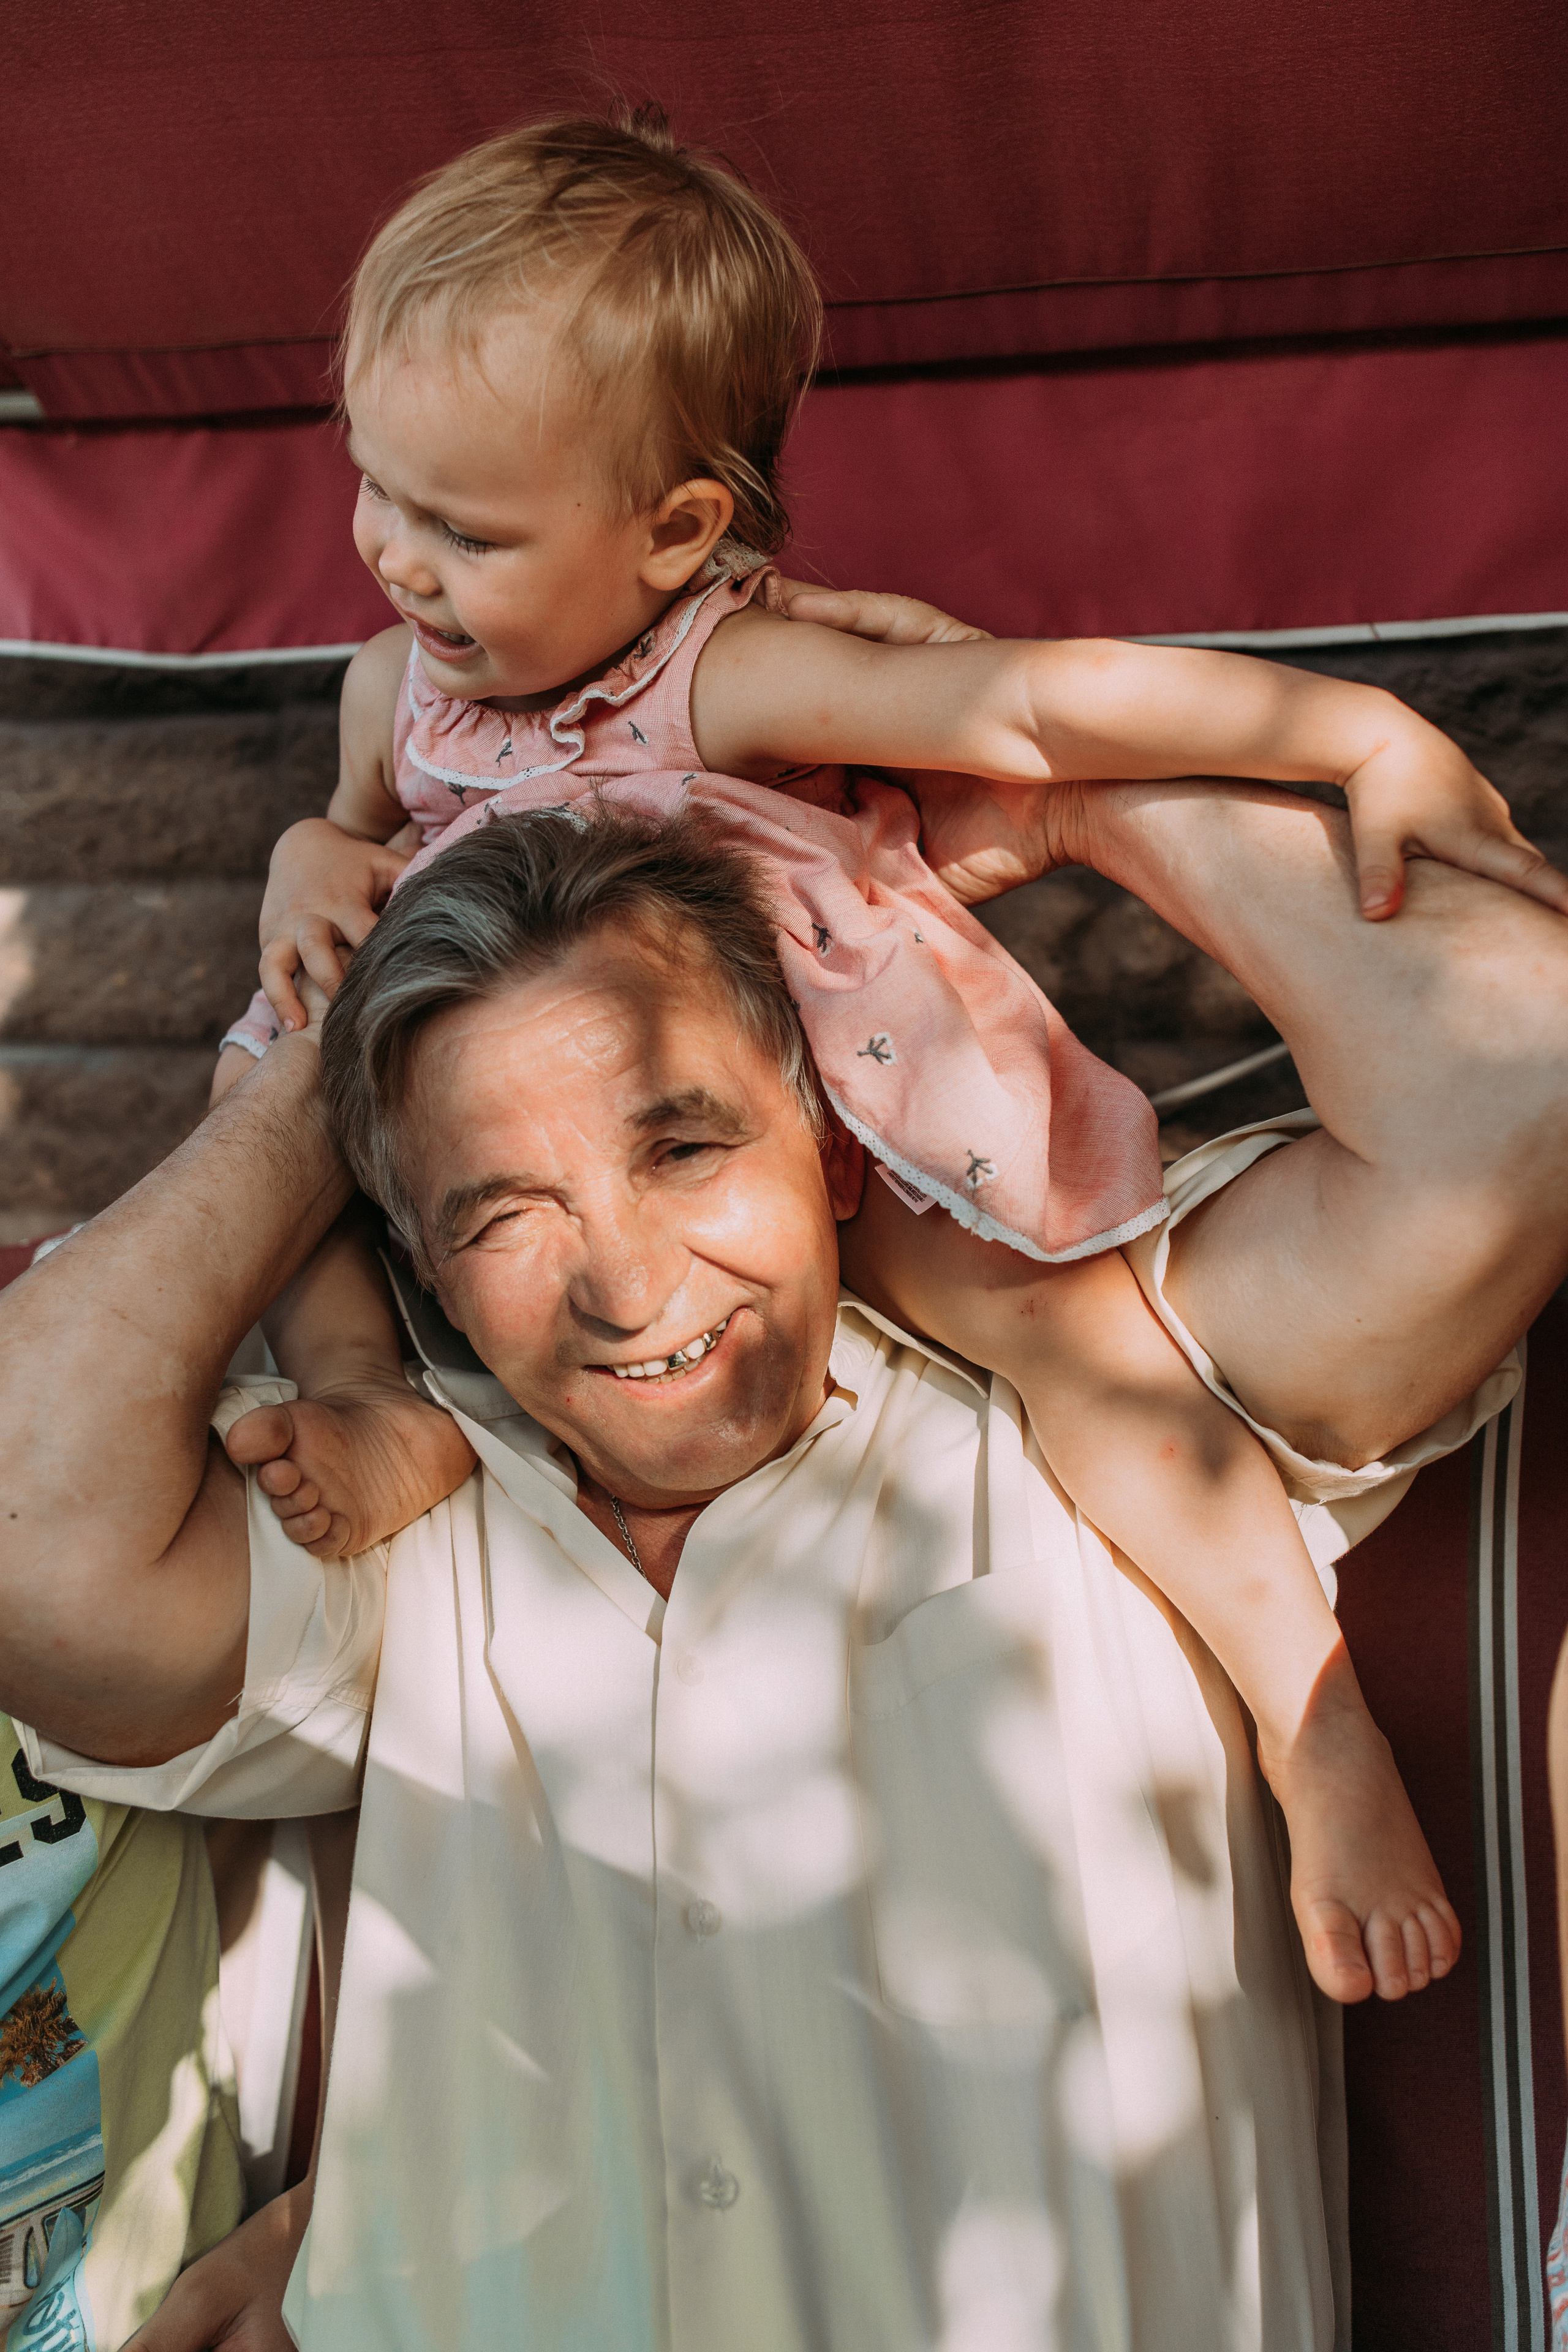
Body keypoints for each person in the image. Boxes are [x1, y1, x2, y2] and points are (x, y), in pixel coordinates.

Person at [211, 109, 1557, 2005]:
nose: (401, 566)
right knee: (250, 1102)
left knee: (1080, 1347)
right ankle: (378, 1402)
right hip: (483, 1122)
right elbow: (343, 816)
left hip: (826, 1096)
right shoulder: (392, 680)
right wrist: (302, 856)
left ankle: (1308, 1713)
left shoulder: (717, 672)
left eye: (469, 531)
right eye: (377, 492)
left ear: (675, 530)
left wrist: (1350, 735)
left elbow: (1024, 704)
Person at [6, 768, 1567, 2348]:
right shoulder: (401, 1529)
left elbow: (1521, 1072)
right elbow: (28, 1526)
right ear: (431, 1274)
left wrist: (1058, 785)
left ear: (831, 1152)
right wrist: (326, 1043)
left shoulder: (1105, 1413)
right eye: (504, 1216)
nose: (624, 1287)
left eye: (683, 1150)